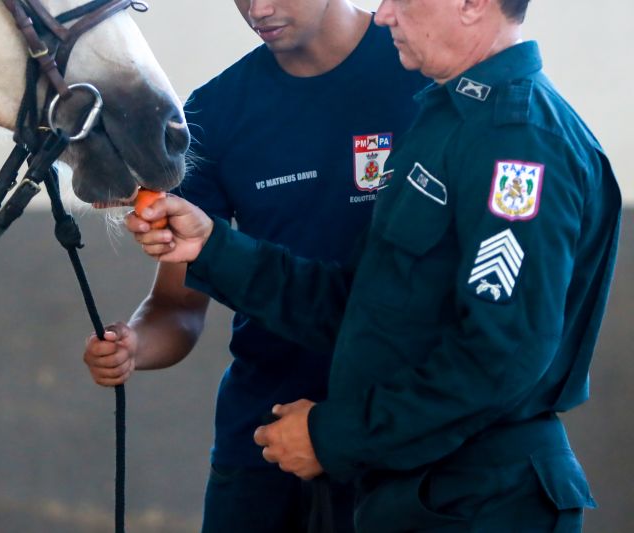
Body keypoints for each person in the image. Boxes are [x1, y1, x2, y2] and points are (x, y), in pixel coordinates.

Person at [124, 0, 623, 531]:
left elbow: (500, 357)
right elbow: (364, 307)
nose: (383, 14)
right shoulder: (446, 118)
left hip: (479, 496)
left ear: (473, 5)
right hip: (408, 484)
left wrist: (333, 436)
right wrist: (212, 248)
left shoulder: (519, 142)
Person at [83, 0, 427, 531]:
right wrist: (133, 344)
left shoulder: (423, 77)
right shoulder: (215, 114)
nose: (257, 9)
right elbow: (177, 307)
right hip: (264, 443)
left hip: (398, 443)